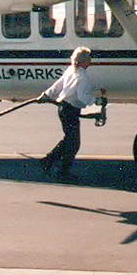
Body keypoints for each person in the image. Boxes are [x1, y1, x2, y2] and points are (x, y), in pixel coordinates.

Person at [39, 47, 102, 179]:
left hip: (64, 109)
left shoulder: (71, 70)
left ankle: (48, 161)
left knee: (69, 140)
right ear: (84, 61)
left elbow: (58, 85)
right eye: (89, 59)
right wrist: (97, 100)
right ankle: (61, 171)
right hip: (70, 110)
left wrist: (46, 95)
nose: (90, 62)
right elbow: (83, 97)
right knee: (73, 143)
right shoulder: (82, 76)